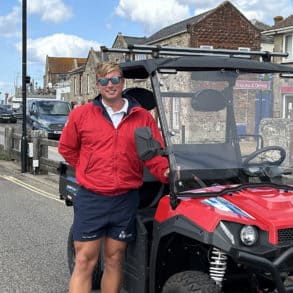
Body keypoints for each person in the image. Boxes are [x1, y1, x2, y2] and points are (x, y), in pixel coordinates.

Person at [58, 61, 169, 293]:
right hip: (92, 199)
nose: (110, 85)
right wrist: (88, 169)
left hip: (125, 199)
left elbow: (154, 155)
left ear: (123, 82)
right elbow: (67, 148)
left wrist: (167, 172)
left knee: (115, 259)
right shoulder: (81, 115)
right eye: (105, 81)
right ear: (98, 85)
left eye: (115, 79)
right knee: (85, 261)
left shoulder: (142, 118)